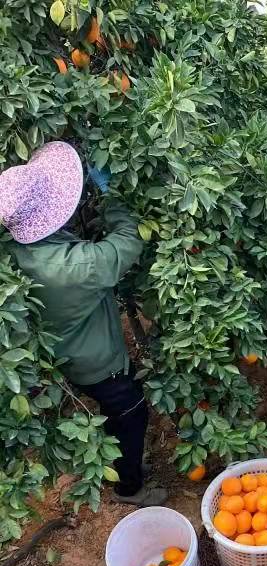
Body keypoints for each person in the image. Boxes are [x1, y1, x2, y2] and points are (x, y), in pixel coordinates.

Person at [0, 141, 166, 507]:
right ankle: (130, 488)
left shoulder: (15, 250)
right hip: (98, 363)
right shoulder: (74, 266)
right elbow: (127, 242)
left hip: (64, 353)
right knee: (131, 414)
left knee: (114, 412)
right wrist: (112, 198)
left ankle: (120, 460)